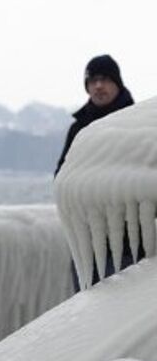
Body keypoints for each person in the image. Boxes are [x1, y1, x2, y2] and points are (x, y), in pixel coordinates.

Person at [55, 55, 141, 287]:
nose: (98, 86)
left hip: (129, 243)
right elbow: (61, 176)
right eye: (92, 81)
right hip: (87, 242)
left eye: (104, 79)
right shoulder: (78, 128)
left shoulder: (137, 123)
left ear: (117, 83)